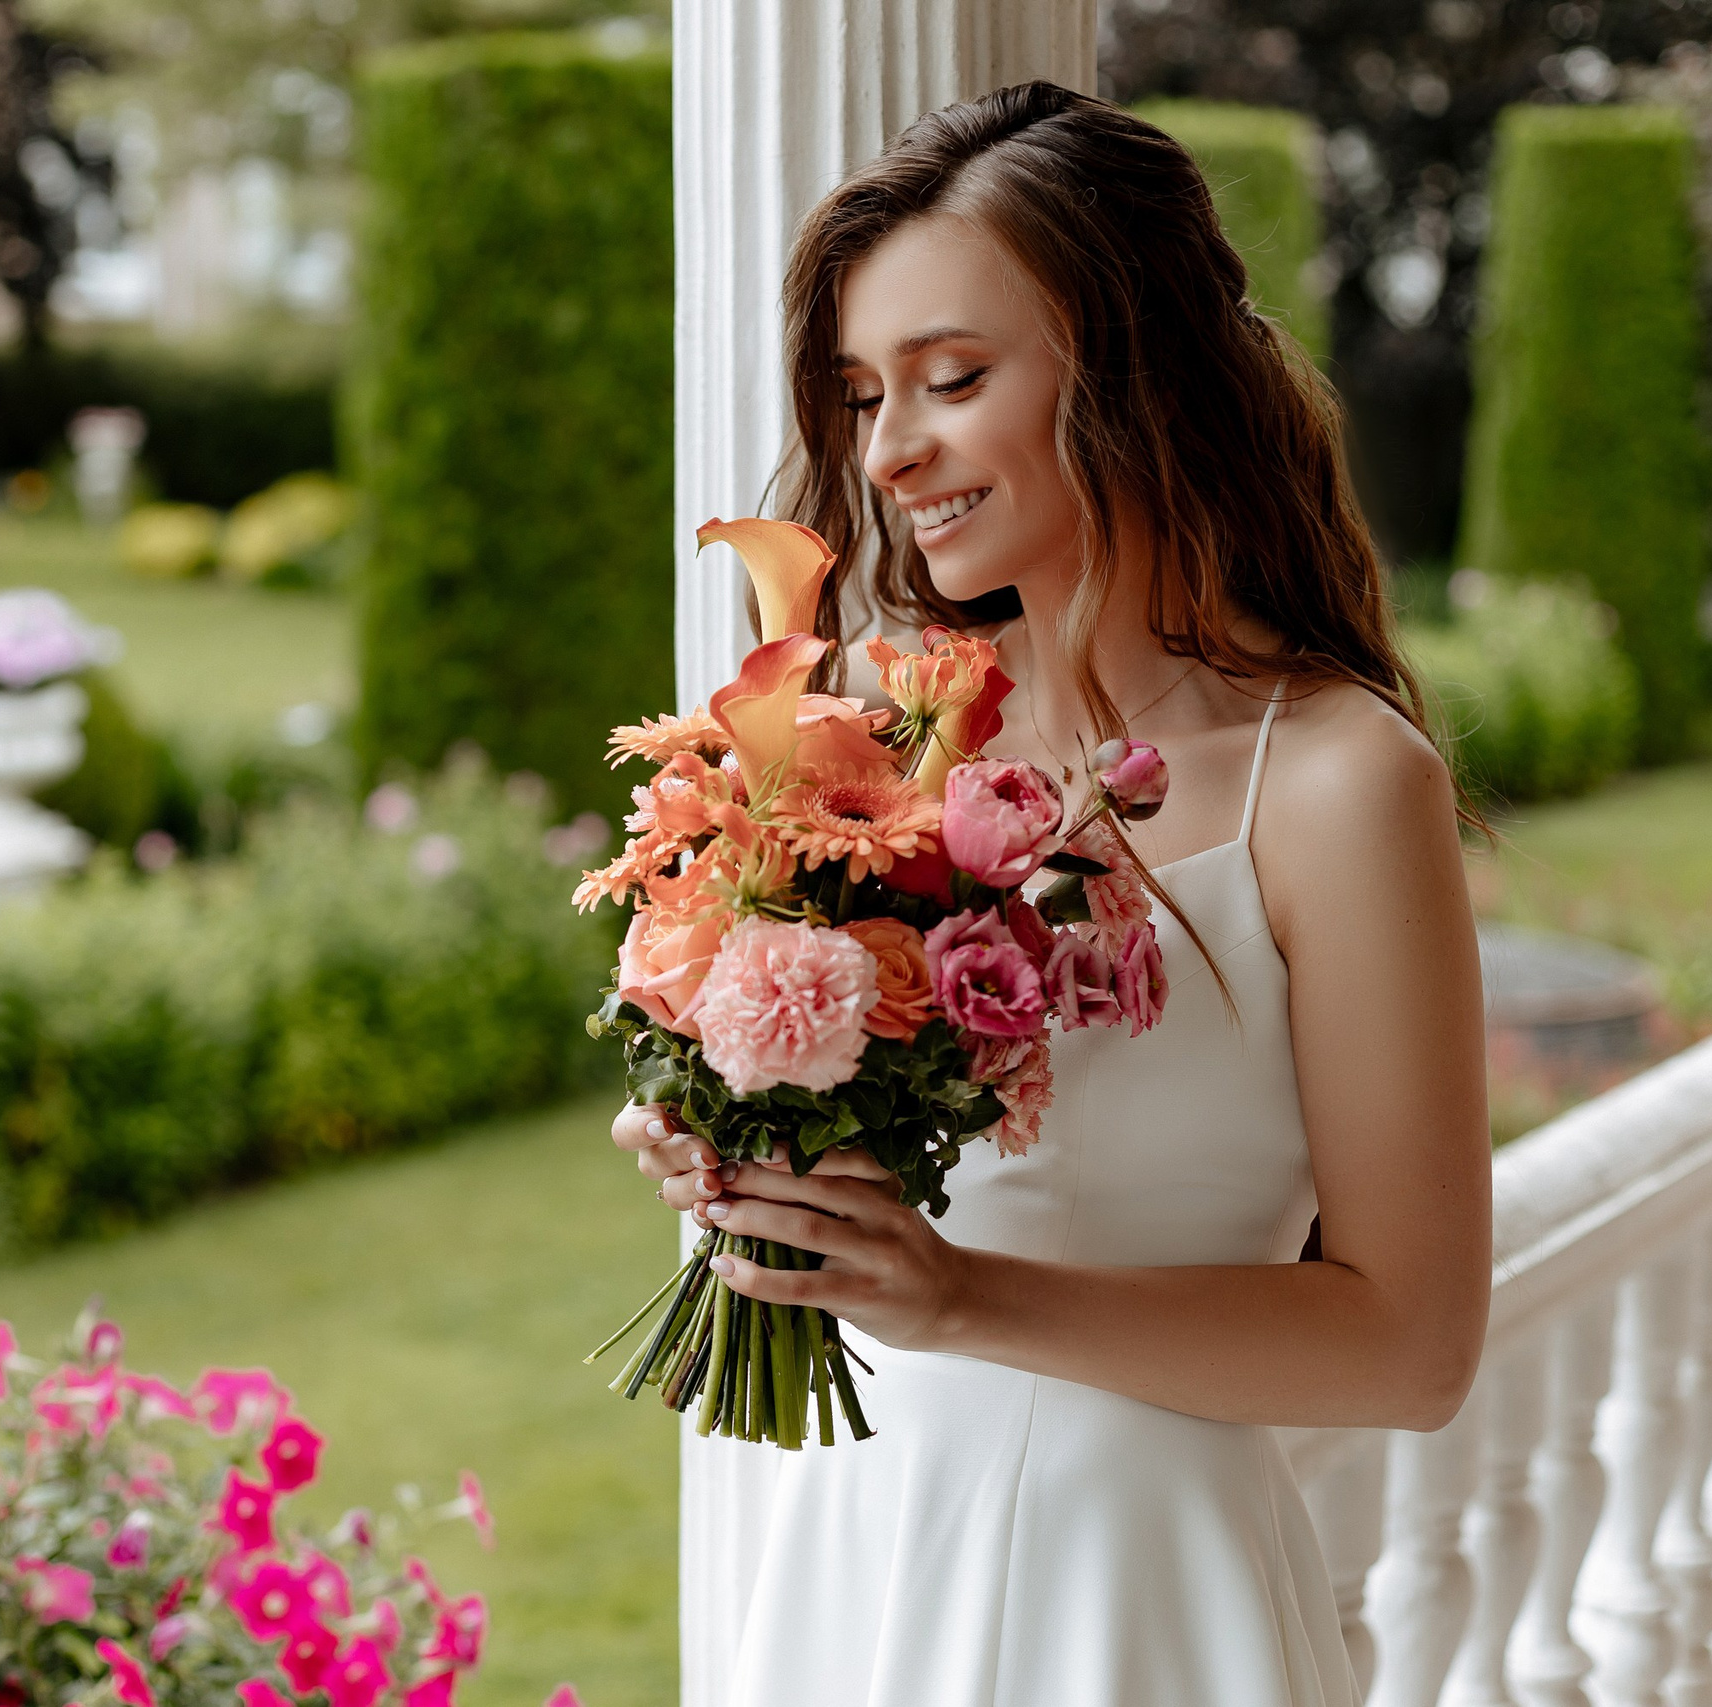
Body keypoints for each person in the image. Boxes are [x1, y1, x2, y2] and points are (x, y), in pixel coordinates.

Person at [612, 82, 1490, 1707]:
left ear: (1132, 373)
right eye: (869, 394)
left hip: (1139, 1586)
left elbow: (1412, 1346)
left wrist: (960, 1298)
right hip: (861, 1540)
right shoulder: (877, 726)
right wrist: (744, 1138)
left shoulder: (1340, 784)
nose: (889, 451)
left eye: (953, 380)